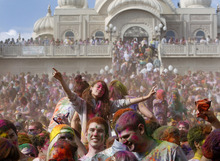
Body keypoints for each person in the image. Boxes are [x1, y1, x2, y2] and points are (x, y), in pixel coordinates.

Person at [52, 68, 156, 143]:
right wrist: (61, 80)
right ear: (91, 88)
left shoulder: (107, 105)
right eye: (98, 87)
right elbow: (70, 94)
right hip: (87, 141)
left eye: (103, 89)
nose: (100, 89)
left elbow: (126, 102)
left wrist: (145, 97)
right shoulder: (82, 104)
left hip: (104, 142)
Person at [115, 111, 187, 161]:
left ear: (141, 129)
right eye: (121, 138)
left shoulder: (171, 151)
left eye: (126, 136)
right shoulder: (123, 157)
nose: (123, 142)